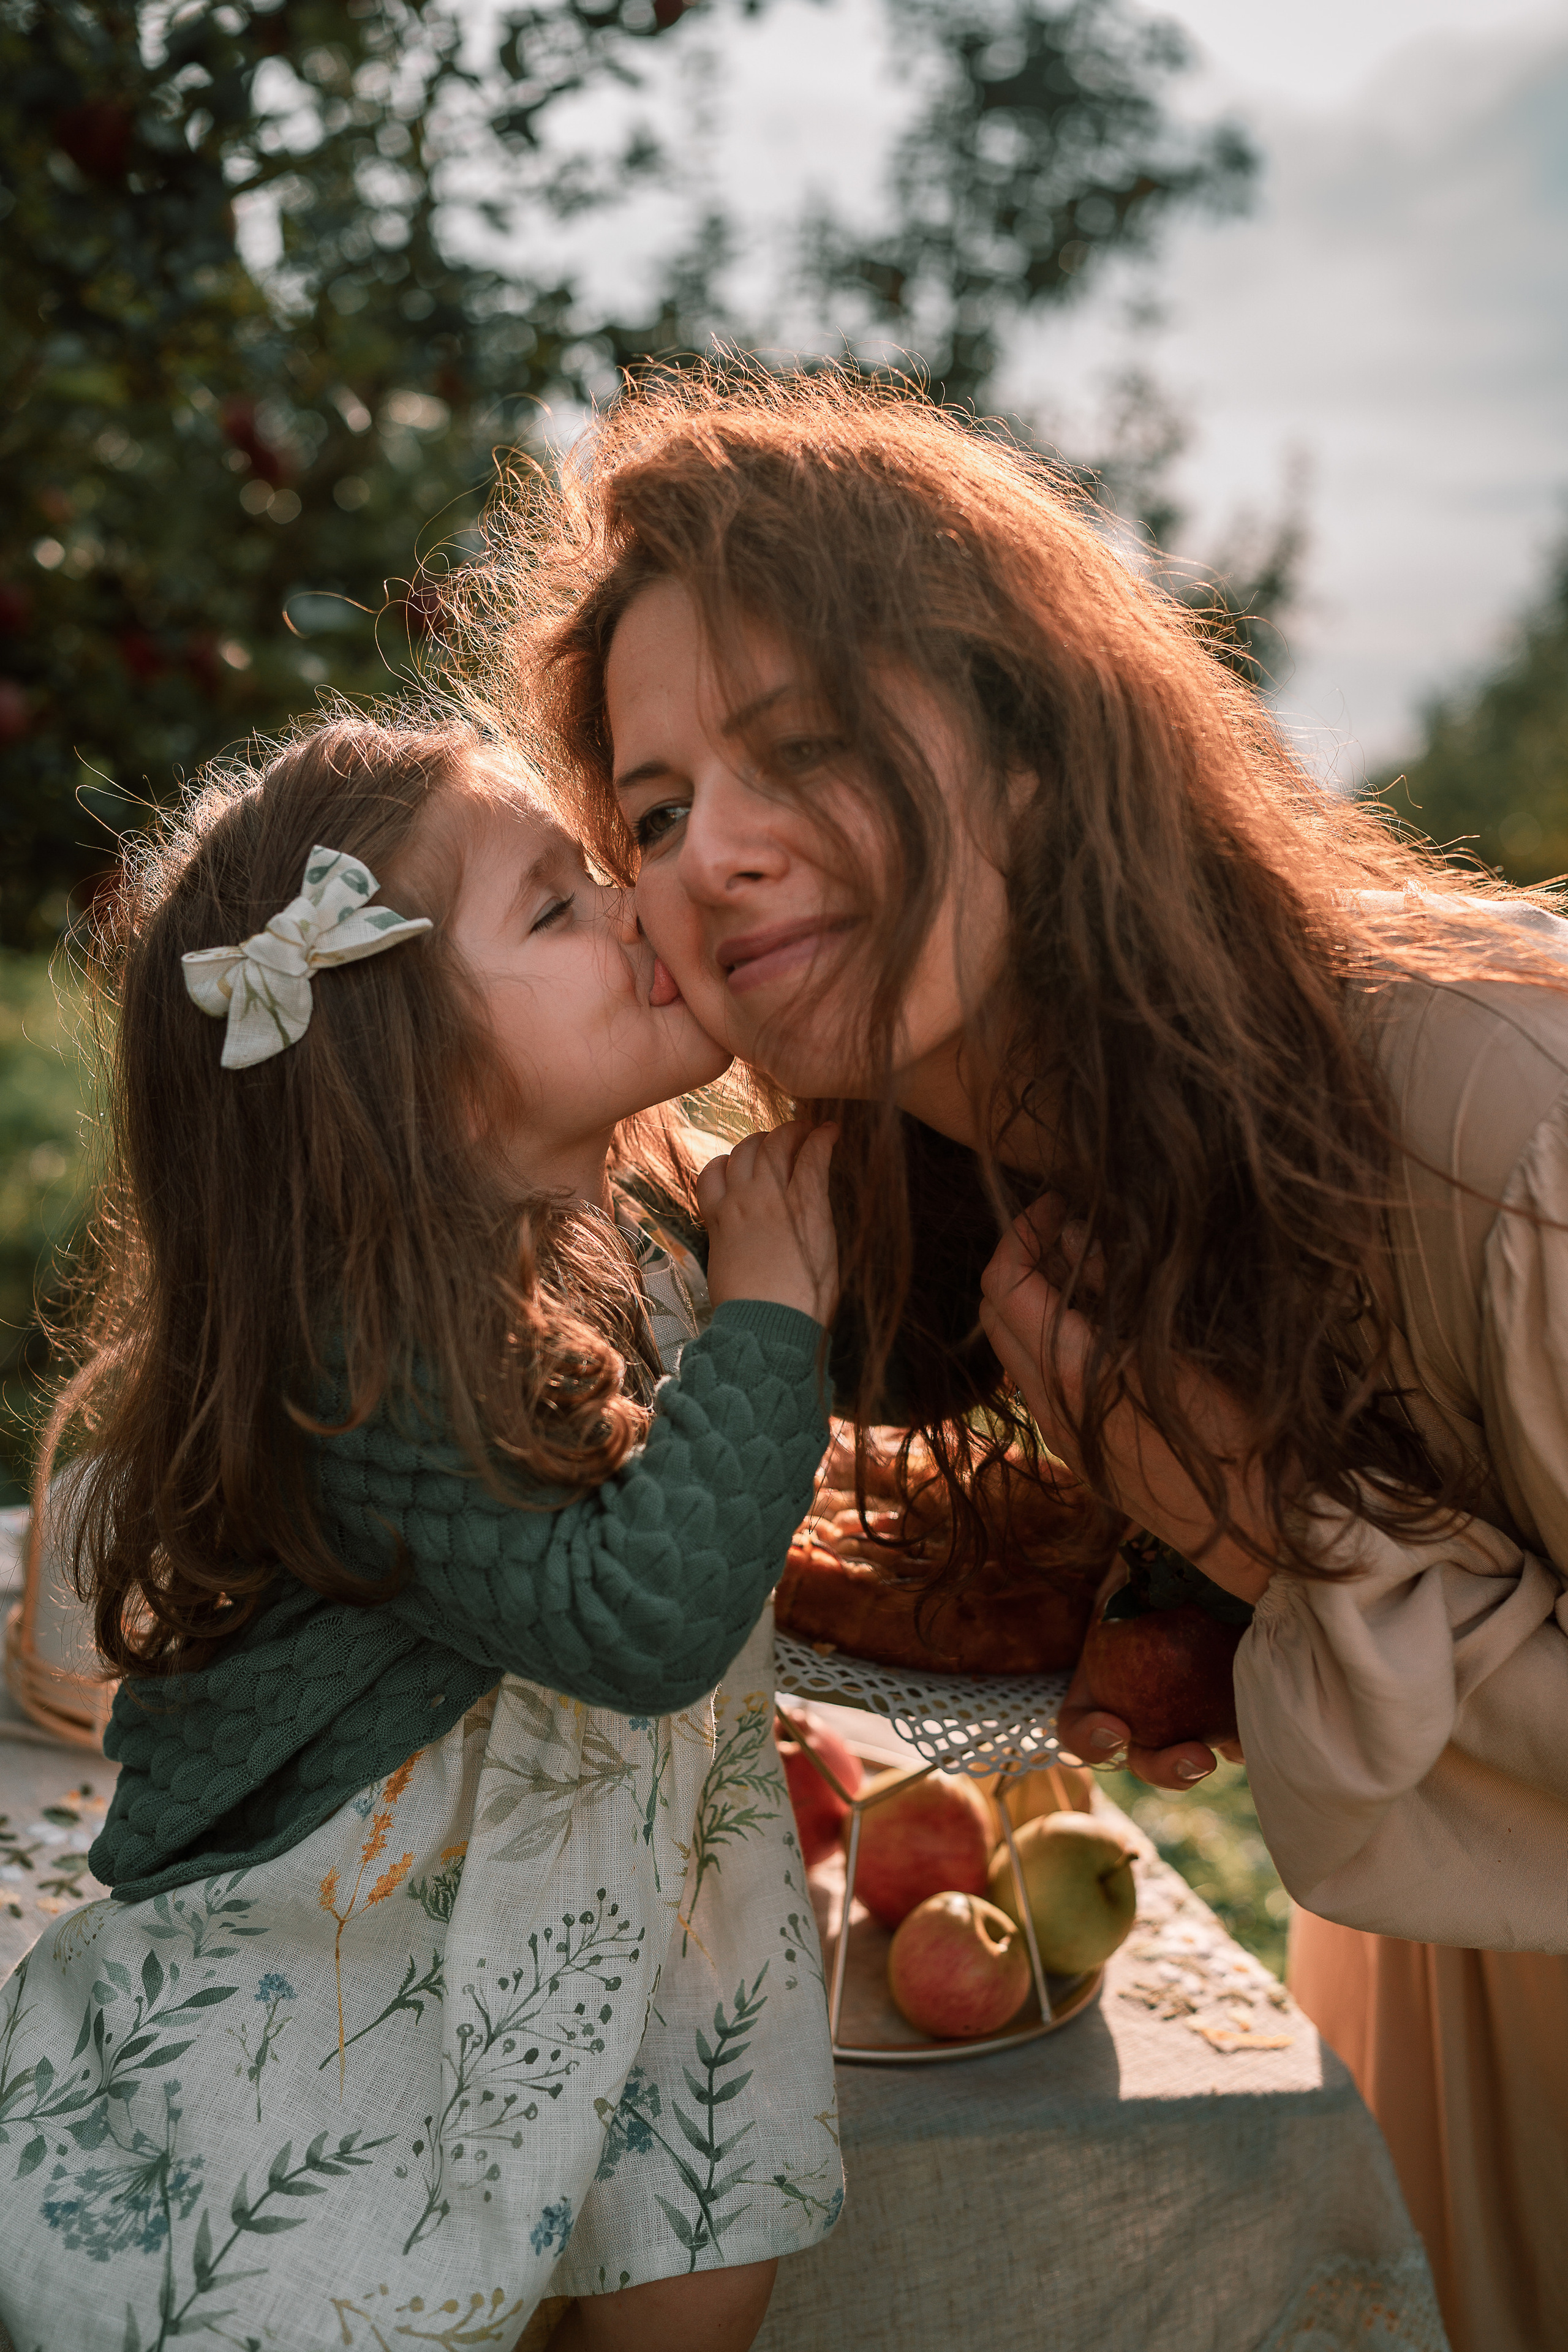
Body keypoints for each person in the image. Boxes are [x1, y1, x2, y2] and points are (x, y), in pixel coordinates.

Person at [469, 366, 1568, 2352]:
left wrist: (1261, 1527)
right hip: (1451, 1959)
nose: (709, 854)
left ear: (1035, 750)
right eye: (651, 810)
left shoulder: (1501, 1126)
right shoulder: (1005, 1201)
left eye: (798, 749)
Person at [0, 709, 845, 2352]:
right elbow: (639, 1621)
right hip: (362, 1950)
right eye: (557, 905)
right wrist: (776, 1315)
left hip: (637, 1907)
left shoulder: (620, 1230)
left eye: (599, 873)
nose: (635, 907)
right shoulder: (363, 1355)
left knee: (703, 2258)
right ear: (410, 1083)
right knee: (340, 2279)